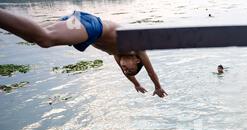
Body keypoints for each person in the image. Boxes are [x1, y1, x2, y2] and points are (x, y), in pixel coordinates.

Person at [0, 9, 167, 97]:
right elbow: (150, 70)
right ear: (137, 61)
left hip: (84, 28)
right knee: (45, 39)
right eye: (129, 68)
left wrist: (136, 83)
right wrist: (157, 87)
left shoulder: (117, 55)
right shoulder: (136, 46)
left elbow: (126, 74)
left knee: (36, 33)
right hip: (91, 25)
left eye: (125, 70)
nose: (125, 69)